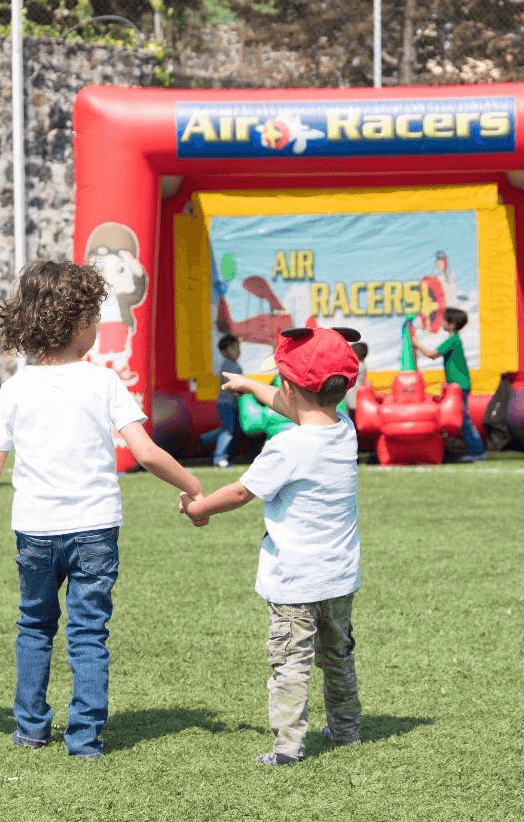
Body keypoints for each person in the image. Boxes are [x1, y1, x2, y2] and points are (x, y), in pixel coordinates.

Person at [0, 260, 203, 760]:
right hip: (95, 530)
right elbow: (146, 452)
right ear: (77, 325)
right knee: (88, 632)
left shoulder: (16, 388)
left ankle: (31, 728)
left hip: (35, 531)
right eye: (94, 318)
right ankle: (85, 737)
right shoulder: (104, 382)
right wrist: (192, 484)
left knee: (34, 626)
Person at [179, 325, 364, 764]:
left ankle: (287, 747)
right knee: (337, 656)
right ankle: (346, 730)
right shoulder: (345, 429)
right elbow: (292, 405)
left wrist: (199, 507)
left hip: (294, 581)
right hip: (339, 577)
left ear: (289, 387)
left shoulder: (287, 446)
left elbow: (241, 492)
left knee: (290, 662)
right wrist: (250, 385)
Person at [408, 307, 486, 462]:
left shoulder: (453, 340)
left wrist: (416, 342)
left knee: (464, 419)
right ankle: (473, 450)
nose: (441, 322)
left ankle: (477, 451)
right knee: (461, 418)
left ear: (452, 324)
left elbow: (432, 355)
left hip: (459, 386)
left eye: (444, 320)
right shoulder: (454, 340)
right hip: (456, 386)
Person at [213, 334, 243, 468]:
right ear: (224, 352)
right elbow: (232, 385)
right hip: (226, 404)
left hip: (232, 403)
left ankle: (206, 440)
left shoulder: (235, 365)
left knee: (232, 430)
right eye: (234, 348)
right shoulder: (228, 366)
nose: (238, 351)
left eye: (238, 348)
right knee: (228, 431)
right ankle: (219, 457)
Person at [343, 342, 370, 415]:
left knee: (352, 413)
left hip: (354, 395)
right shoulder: (362, 364)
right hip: (355, 395)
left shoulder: (358, 365)